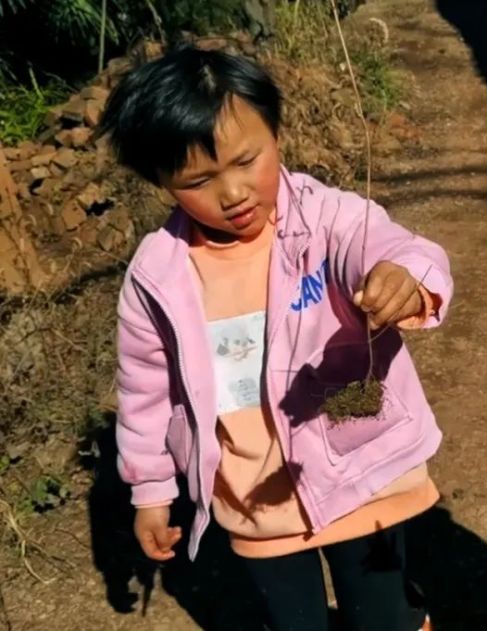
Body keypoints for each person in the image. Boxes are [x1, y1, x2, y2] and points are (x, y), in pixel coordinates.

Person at [99, 46, 453, 631]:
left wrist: (408, 278)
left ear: (276, 133)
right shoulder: (156, 277)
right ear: (161, 181)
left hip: (360, 470)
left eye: (246, 160)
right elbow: (144, 391)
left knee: (385, 617)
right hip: (252, 497)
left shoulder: (327, 219)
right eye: (200, 179)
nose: (234, 192)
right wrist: (151, 492)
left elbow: (391, 247)